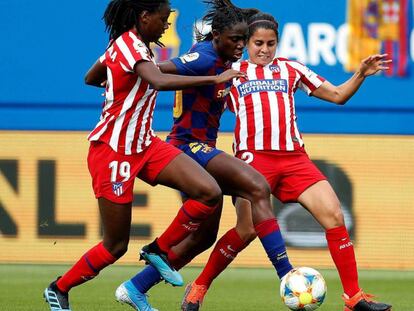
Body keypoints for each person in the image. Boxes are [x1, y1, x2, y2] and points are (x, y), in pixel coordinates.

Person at [42, 0, 247, 310]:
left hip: (145, 145)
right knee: (115, 246)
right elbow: (159, 80)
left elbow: (92, 76)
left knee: (208, 192)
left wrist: (119, 84)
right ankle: (59, 288)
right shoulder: (129, 45)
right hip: (112, 152)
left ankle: (158, 250)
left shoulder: (132, 47)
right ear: (144, 16)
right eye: (163, 19)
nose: (166, 25)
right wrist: (212, 79)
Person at [183, 11, 393, 311]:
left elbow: (337, 96)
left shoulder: (291, 69)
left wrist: (359, 74)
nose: (264, 50)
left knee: (334, 215)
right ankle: (200, 285)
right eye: (258, 43)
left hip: (295, 160)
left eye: (271, 43)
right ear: (246, 42)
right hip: (253, 162)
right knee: (246, 229)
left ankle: (353, 297)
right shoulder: (233, 71)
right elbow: (201, 98)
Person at [114, 2, 295, 311]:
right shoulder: (204, 57)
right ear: (219, 35)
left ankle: (135, 287)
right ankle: (288, 276)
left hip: (200, 147)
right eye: (238, 39)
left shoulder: (220, 57)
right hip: (186, 146)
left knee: (204, 237)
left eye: (244, 39)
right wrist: (116, 75)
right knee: (257, 185)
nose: (242, 46)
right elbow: (157, 71)